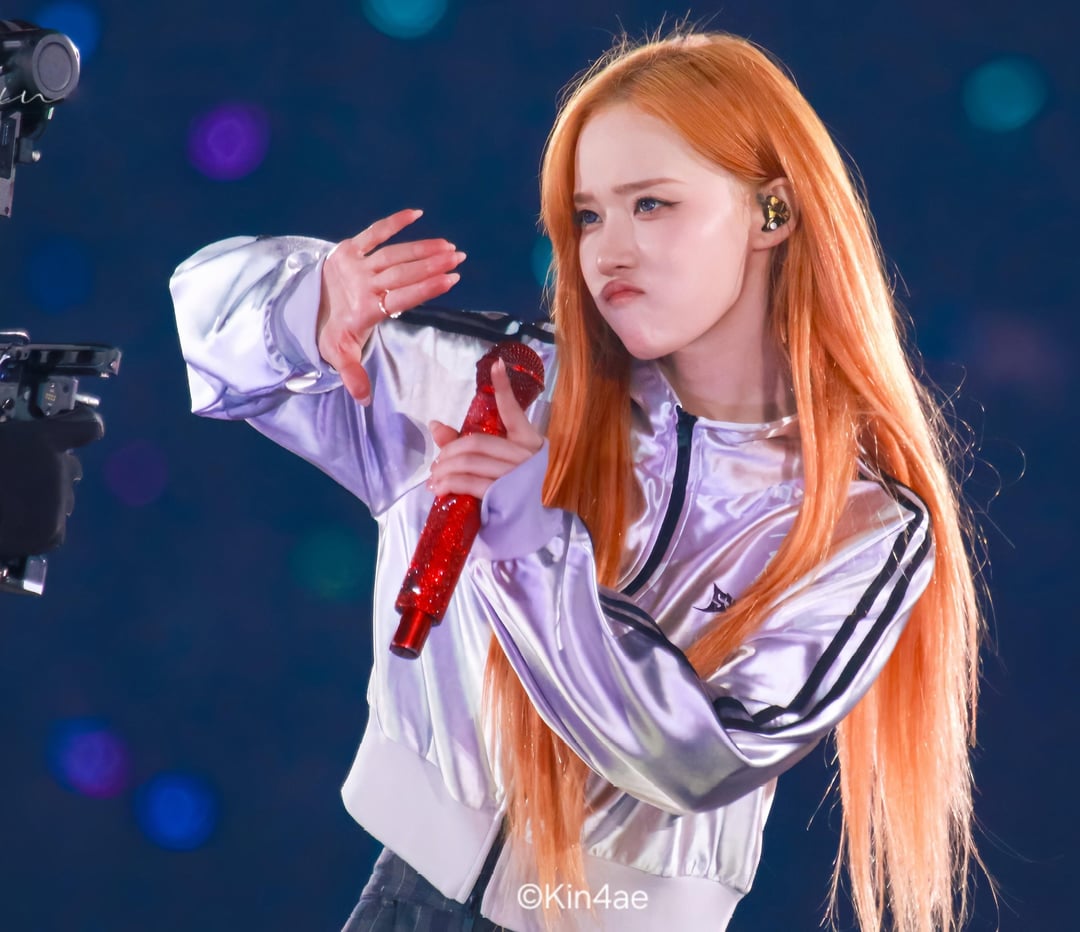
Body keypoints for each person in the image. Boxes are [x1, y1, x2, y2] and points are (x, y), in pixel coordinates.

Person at [171, 30, 985, 932]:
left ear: (773, 211)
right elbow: (207, 330)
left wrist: (532, 548)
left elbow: (702, 760)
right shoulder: (502, 383)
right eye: (589, 215)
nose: (609, 252)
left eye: (652, 204)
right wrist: (309, 305)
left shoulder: (865, 525)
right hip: (405, 900)